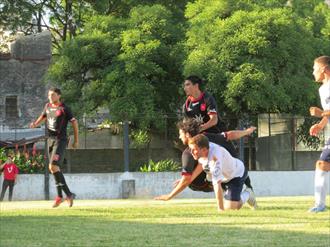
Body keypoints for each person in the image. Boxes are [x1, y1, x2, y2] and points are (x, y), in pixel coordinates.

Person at [155, 118, 256, 206]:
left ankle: (237, 193)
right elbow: (200, 165)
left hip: (233, 170)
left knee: (229, 204)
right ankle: (229, 193)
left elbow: (229, 135)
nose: (179, 137)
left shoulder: (189, 153)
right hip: (224, 172)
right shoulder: (205, 139)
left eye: (180, 134)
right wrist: (247, 131)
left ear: (187, 134)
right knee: (206, 175)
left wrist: (170, 196)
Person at [30, 87, 78, 208]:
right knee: (53, 169)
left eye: (52, 95)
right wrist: (35, 124)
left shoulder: (64, 109)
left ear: (59, 96)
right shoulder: (47, 106)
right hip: (50, 140)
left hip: (60, 141)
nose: (50, 97)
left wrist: (76, 140)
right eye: (49, 95)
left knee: (53, 166)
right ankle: (61, 197)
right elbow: (43, 116)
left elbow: (74, 123)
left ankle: (67, 194)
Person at [188, 134, 256, 212]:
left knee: (231, 208)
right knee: (210, 176)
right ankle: (229, 195)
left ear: (203, 150)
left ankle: (248, 194)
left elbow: (217, 185)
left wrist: (220, 209)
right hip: (224, 177)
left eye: (194, 149)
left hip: (236, 175)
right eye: (190, 149)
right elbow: (200, 164)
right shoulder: (204, 148)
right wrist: (189, 180)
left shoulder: (215, 158)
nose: (191, 152)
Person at [308, 55, 330, 213]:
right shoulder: (323, 89)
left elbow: (326, 112)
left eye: (315, 68)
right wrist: (321, 124)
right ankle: (320, 204)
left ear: (324, 69)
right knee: (322, 164)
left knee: (322, 164)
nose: (313, 72)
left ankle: (320, 205)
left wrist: (321, 113)